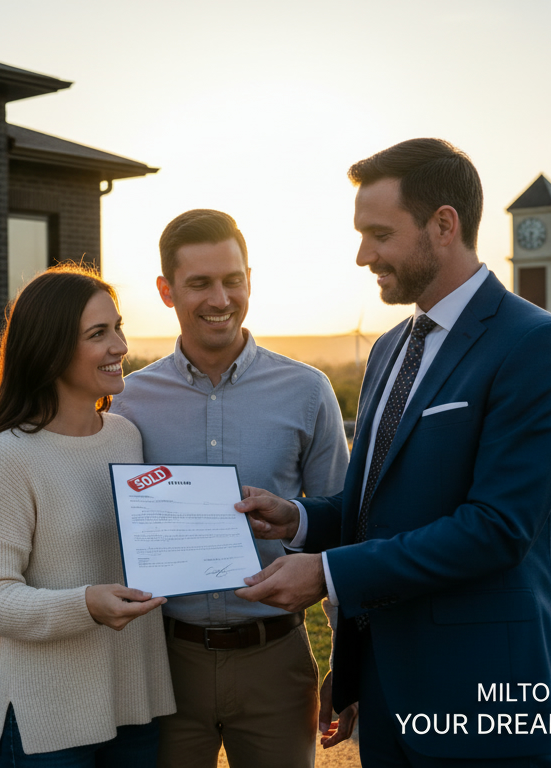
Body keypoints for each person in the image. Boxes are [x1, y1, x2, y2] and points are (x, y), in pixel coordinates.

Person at [234, 139, 551, 767]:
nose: (362, 255)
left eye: (379, 234)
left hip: (484, 701)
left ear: (443, 225)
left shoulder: (534, 345)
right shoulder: (391, 347)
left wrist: (328, 572)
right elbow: (382, 506)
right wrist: (303, 520)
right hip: (385, 692)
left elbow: (497, 529)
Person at [111, 209, 350, 768]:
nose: (220, 298)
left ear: (249, 279)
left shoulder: (308, 391)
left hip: (278, 662)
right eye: (199, 283)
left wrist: (350, 655)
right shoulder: (126, 402)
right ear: (166, 291)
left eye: (232, 280)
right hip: (164, 663)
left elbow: (344, 526)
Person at [0, 265, 176, 766]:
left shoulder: (127, 436)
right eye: (98, 334)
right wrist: (85, 605)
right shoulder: (10, 457)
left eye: (118, 327)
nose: (120, 346)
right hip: (49, 721)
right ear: (50, 347)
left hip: (135, 704)